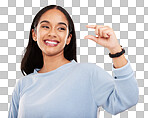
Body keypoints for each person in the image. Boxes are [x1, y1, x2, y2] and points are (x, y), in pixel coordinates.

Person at [8, 5, 139, 118]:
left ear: (69, 38)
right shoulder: (23, 85)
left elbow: (127, 99)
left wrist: (115, 49)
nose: (52, 33)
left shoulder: (88, 74)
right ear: (34, 34)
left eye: (61, 28)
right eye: (45, 26)